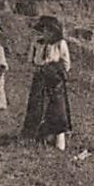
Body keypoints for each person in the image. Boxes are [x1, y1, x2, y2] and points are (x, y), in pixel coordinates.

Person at [22, 14, 72, 150]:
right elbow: (30, 60)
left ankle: (59, 140)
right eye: (44, 29)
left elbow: (66, 64)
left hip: (55, 79)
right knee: (37, 105)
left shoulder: (60, 44)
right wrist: (39, 68)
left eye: (50, 30)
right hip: (39, 77)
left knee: (57, 108)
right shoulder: (36, 43)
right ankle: (37, 137)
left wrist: (54, 69)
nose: (47, 32)